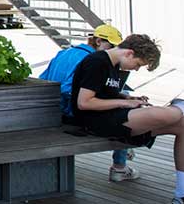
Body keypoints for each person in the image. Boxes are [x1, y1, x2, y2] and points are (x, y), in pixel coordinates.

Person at [72, 34, 184, 204]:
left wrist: (128, 99)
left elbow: (104, 92)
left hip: (113, 118)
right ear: (129, 53)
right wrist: (124, 104)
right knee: (163, 113)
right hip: (95, 122)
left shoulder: (114, 64)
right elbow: (84, 103)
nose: (136, 69)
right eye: (138, 64)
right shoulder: (97, 62)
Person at [39, 24, 138, 181]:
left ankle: (124, 152)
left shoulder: (64, 52)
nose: (114, 50)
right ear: (98, 41)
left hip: (50, 110)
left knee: (123, 99)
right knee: (126, 113)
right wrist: (118, 99)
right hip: (69, 112)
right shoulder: (92, 60)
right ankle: (120, 166)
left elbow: (44, 79)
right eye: (111, 45)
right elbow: (70, 90)